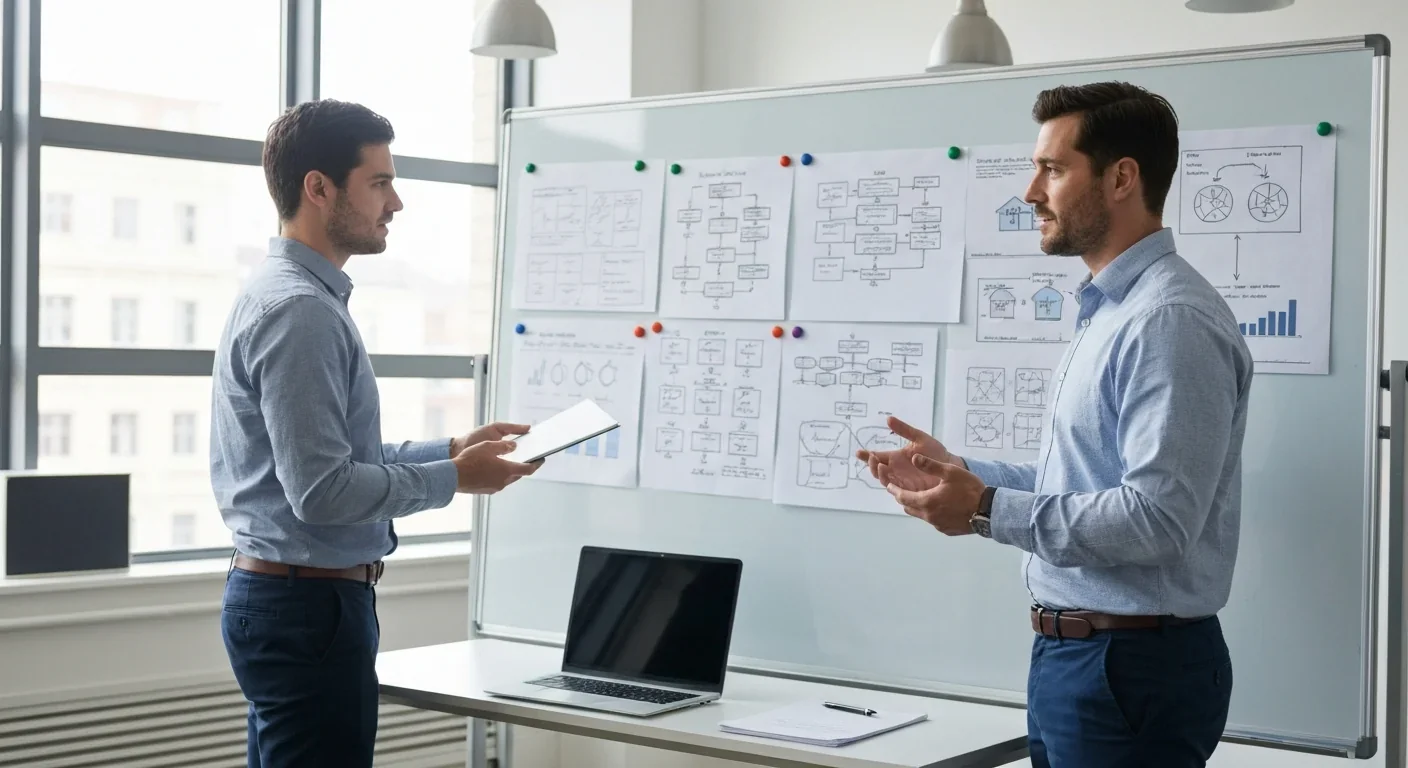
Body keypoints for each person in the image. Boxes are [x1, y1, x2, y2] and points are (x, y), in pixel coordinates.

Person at [859, 82, 1253, 767]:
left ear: (1122, 177)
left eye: (1053, 168)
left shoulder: (1167, 321)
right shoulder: (1111, 312)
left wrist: (983, 509)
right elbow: (1083, 482)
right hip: (1081, 660)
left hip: (1128, 667)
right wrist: (963, 475)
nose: (1031, 192)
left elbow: (1157, 520)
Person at [210, 99, 540, 768]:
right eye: (380, 182)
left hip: (293, 599)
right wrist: (456, 479)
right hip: (307, 607)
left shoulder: (290, 295)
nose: (397, 203)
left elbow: (336, 462)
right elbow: (323, 492)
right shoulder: (300, 312)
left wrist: (450, 452)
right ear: (319, 187)